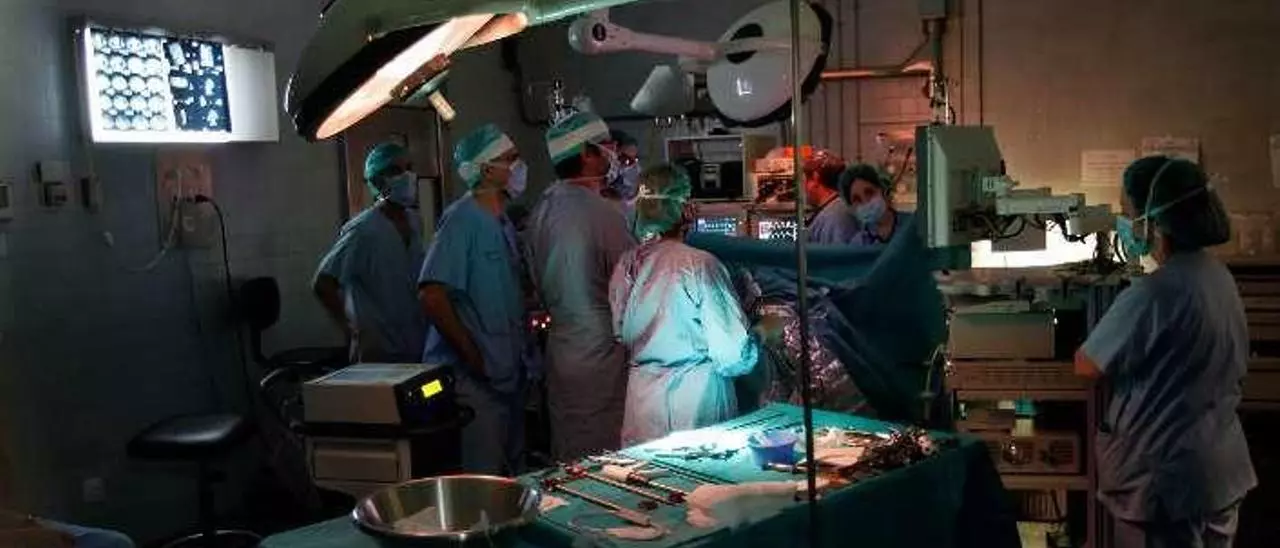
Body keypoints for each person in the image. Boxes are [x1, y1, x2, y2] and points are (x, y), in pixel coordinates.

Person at [1074, 156, 1255, 548]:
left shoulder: (1155, 292)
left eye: (1128, 213)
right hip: (1217, 472)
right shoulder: (1216, 276)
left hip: (1166, 480)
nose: (1125, 224)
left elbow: (1087, 365)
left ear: (1153, 221)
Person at [610, 165, 779, 445]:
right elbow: (733, 358)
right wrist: (763, 331)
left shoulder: (627, 264)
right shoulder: (699, 265)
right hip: (695, 403)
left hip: (642, 403)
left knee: (647, 472)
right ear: (685, 209)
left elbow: (620, 333)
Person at [418, 124, 532, 475]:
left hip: (507, 373)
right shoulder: (462, 221)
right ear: (486, 169)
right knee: (484, 479)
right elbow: (432, 295)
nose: (518, 166)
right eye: (510, 159)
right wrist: (473, 356)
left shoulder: (502, 223)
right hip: (476, 379)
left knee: (514, 471)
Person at [526, 111, 637, 461]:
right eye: (606, 146)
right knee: (602, 460)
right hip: (599, 356)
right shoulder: (601, 215)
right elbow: (633, 287)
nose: (613, 153)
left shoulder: (543, 208)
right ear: (587, 154)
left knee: (569, 452)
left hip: (562, 351)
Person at [313, 143, 425, 363]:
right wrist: (352, 329)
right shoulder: (364, 230)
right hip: (378, 349)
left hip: (414, 343)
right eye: (396, 170)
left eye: (409, 168)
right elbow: (323, 283)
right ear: (378, 181)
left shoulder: (414, 222)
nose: (407, 176)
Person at [801, 149, 861, 244]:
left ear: (815, 178)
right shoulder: (839, 208)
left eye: (804, 181)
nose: (804, 188)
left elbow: (836, 252)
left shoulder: (834, 218)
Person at [839, 163, 905, 247]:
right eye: (857, 200)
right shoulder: (858, 244)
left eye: (869, 193)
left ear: (883, 190)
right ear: (852, 208)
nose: (865, 202)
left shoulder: (911, 225)